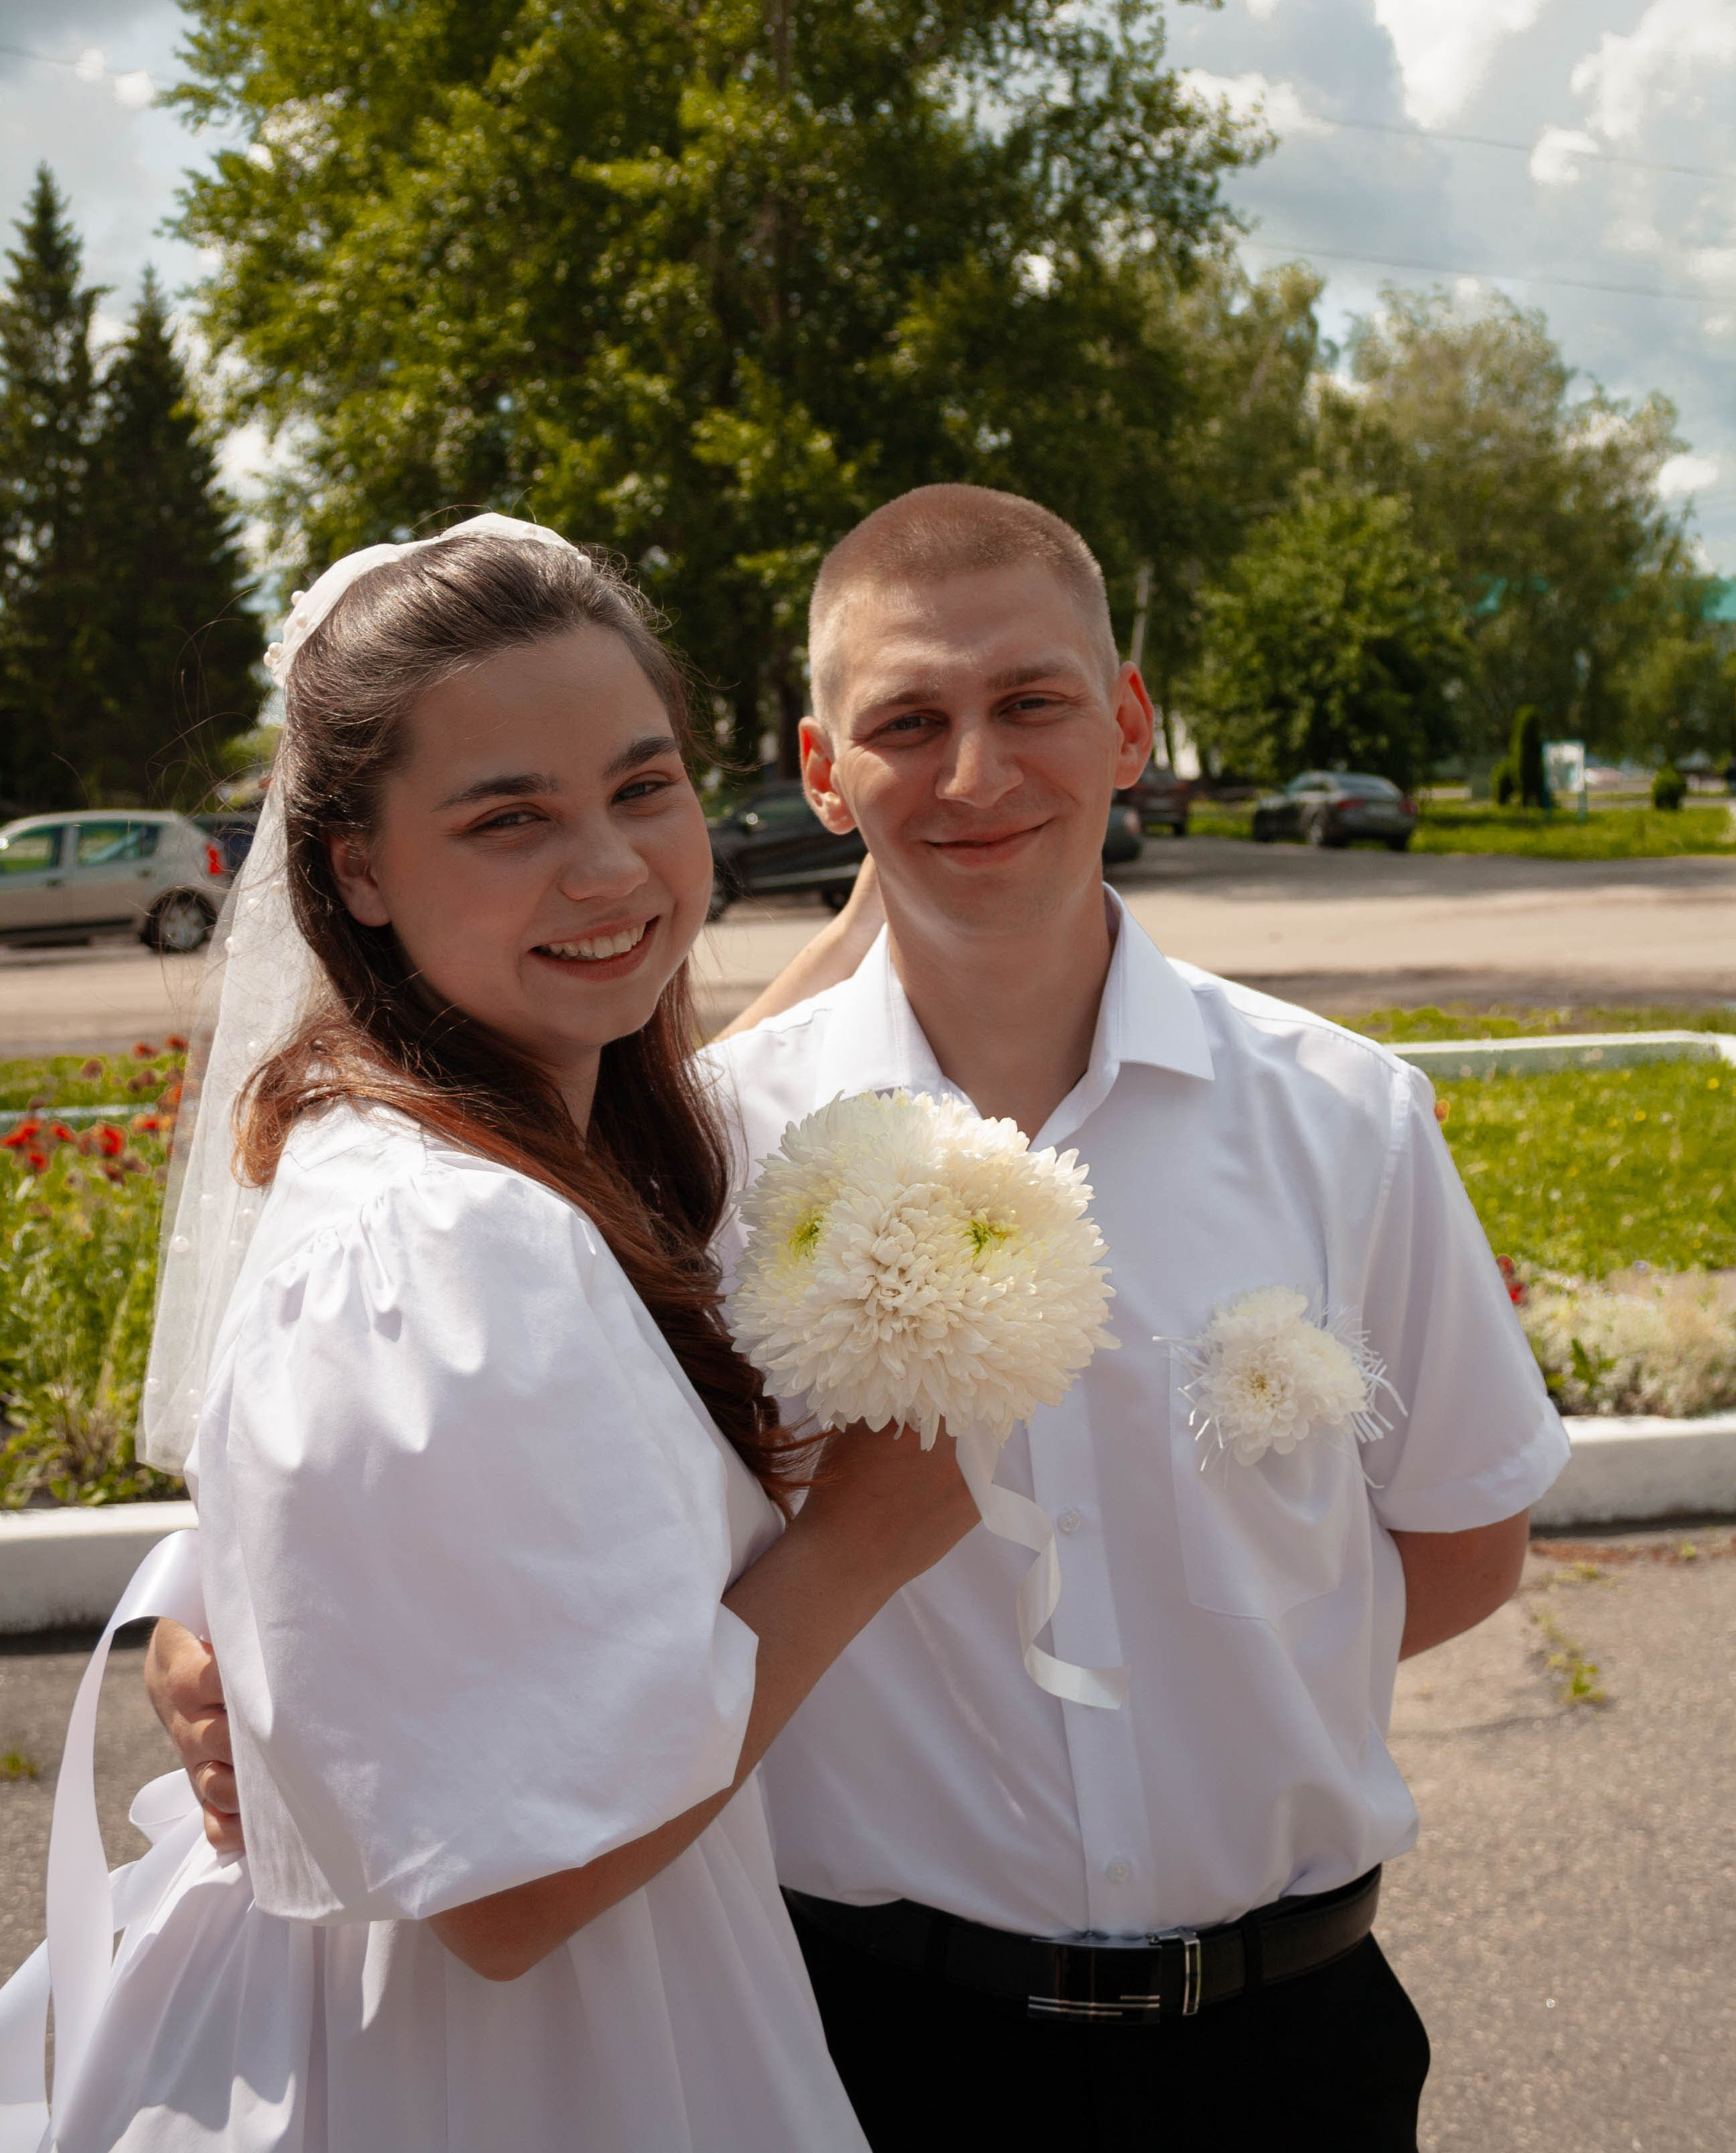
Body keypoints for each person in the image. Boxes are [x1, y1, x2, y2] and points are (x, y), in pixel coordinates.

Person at [152, 486, 1570, 2153]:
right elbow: (428, 1450)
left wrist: (1208, 1656)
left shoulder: (1343, 1118)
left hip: (1281, 2038)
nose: (975, 772)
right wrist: (216, 1630)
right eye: (907, 721)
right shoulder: (702, 1151)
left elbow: (1466, 1547)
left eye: (1031, 703)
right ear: (824, 774)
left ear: (1124, 724)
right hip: (867, 2040)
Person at [26, 519, 973, 2153]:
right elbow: (514, 1899)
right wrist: (861, 1544)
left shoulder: (550, 1146)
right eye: (507, 817)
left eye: (640, 786)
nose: (605, 866)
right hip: (515, 2052)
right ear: (356, 869)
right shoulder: (447, 1239)